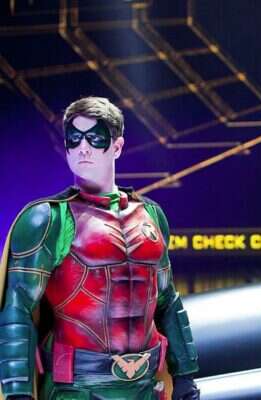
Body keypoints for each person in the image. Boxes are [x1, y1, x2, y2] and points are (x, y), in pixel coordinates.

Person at [0, 97, 200, 399]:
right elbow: (17, 308)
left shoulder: (151, 215)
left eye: (95, 138)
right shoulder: (49, 219)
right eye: (74, 138)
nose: (83, 148)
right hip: (76, 390)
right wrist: (19, 393)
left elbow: (167, 301)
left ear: (117, 147)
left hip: (146, 387)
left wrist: (185, 375)